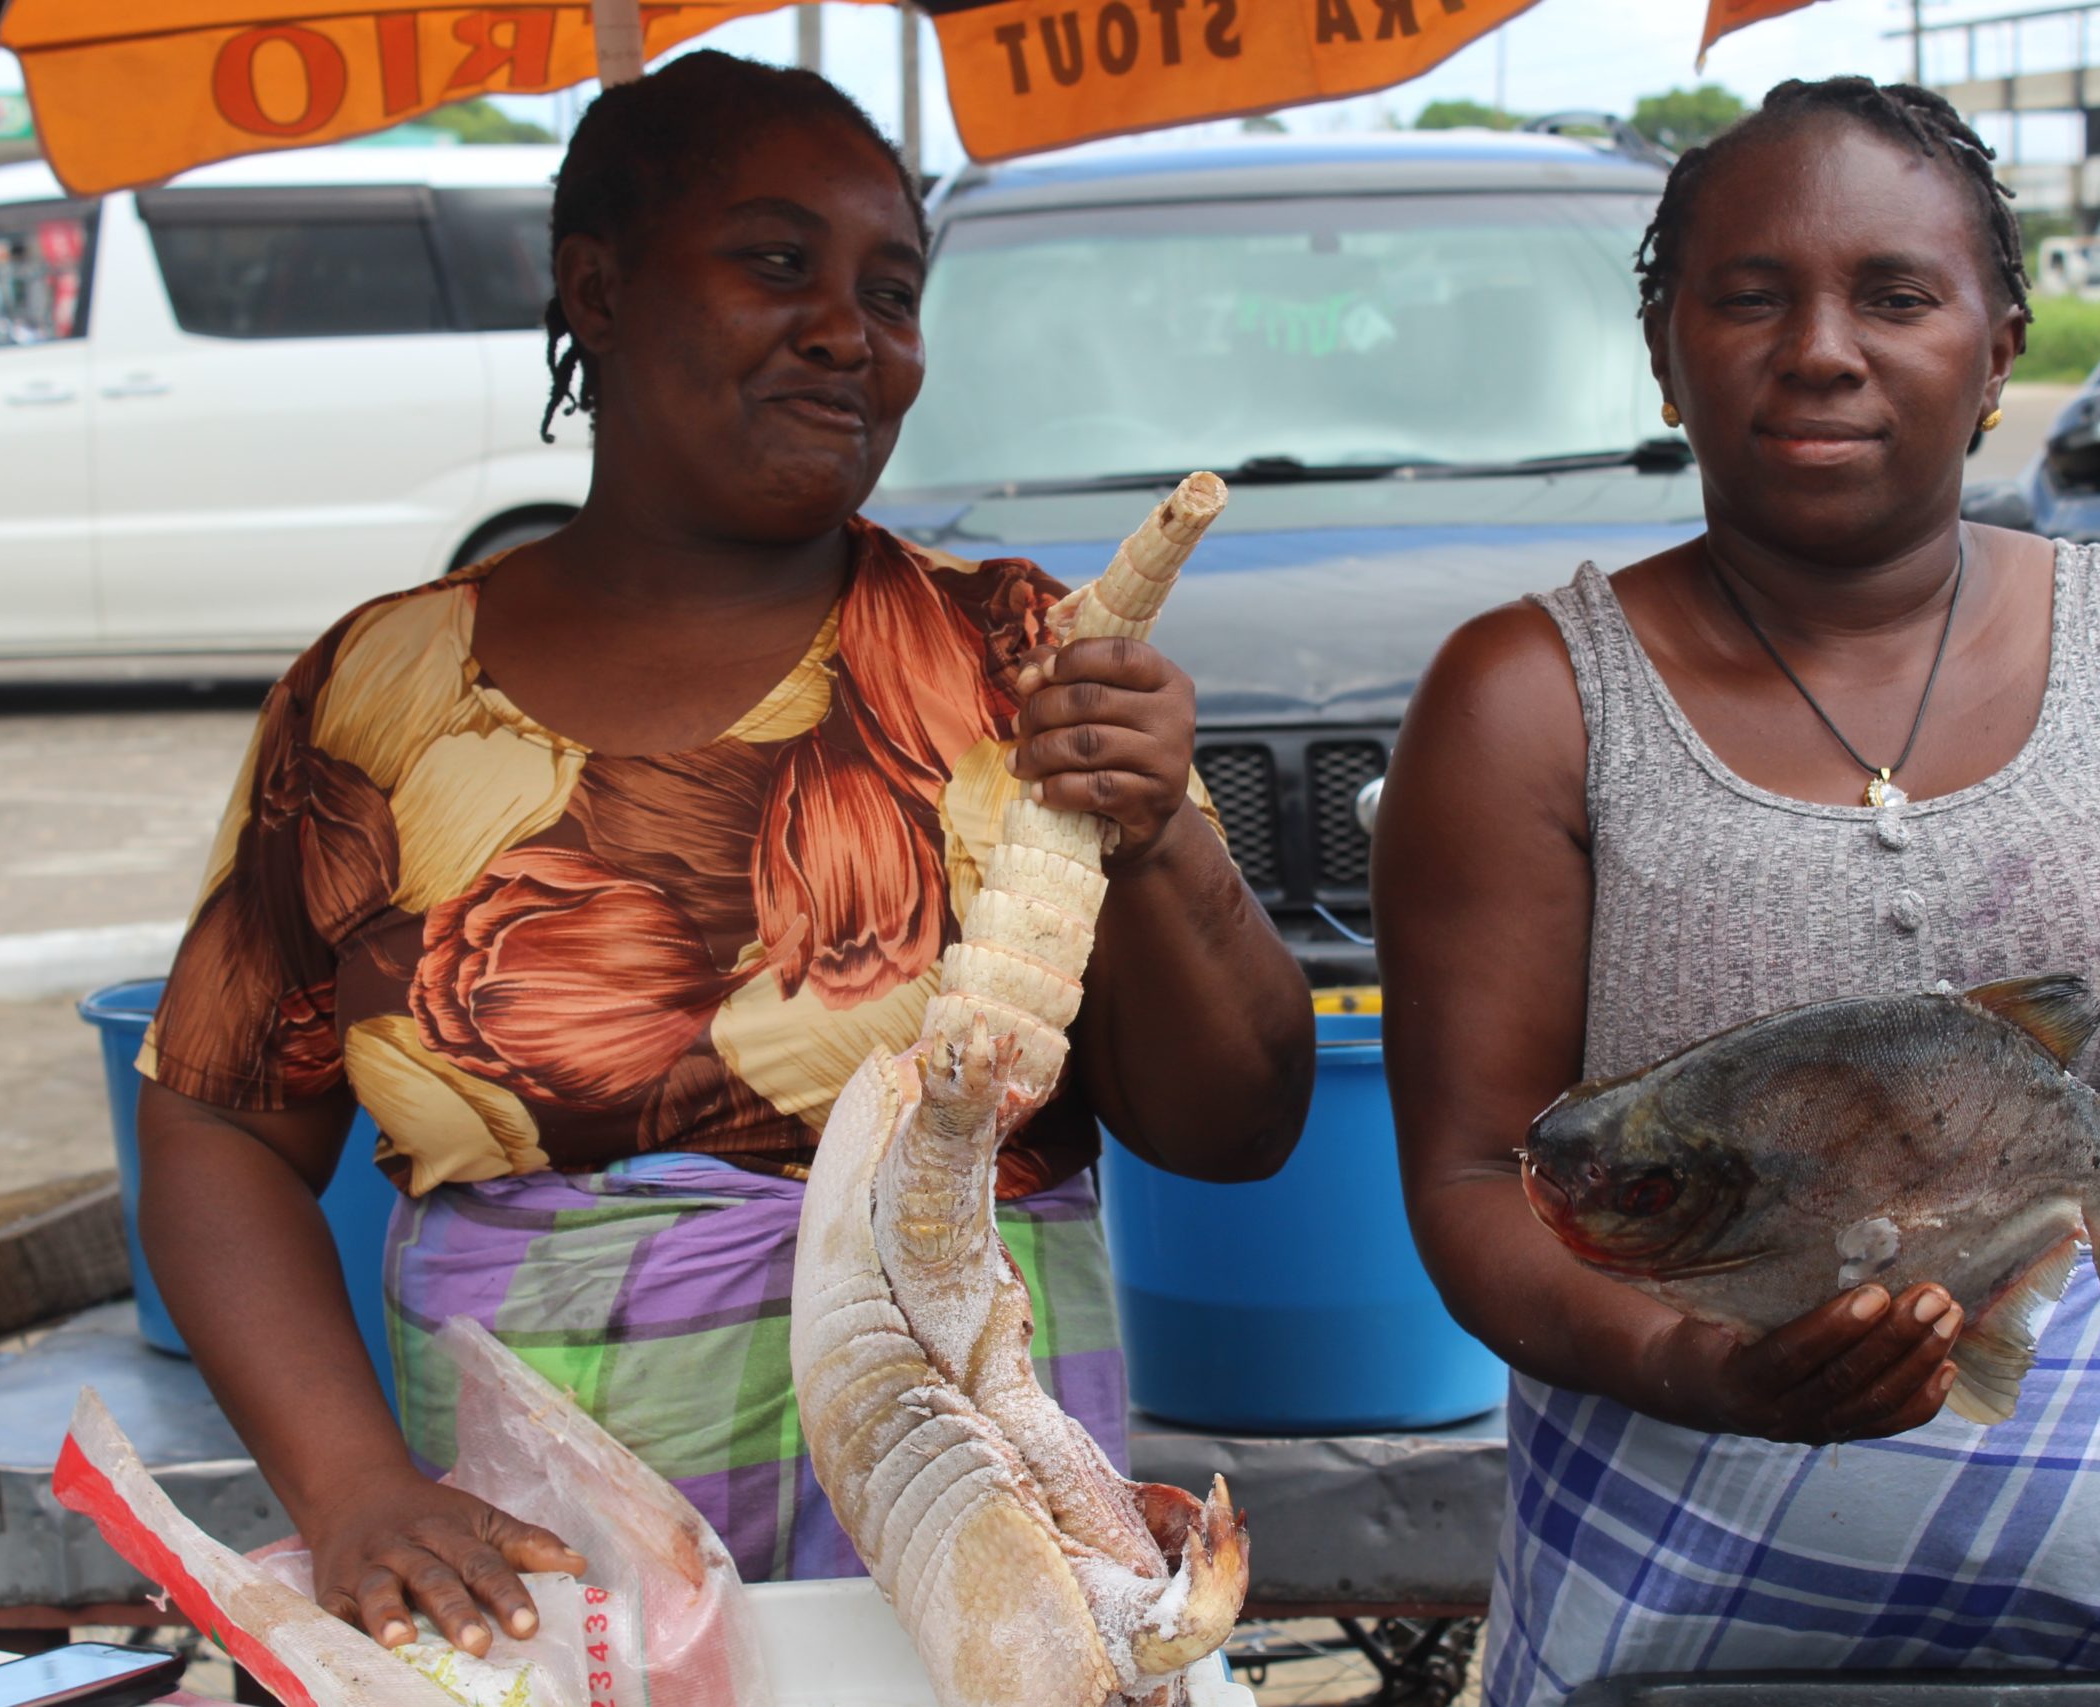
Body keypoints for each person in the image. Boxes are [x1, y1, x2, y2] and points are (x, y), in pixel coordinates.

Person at [133, 52, 1314, 1658]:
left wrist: (1163, 830)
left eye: (891, 290)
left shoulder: (1017, 655)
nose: (850, 330)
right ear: (597, 292)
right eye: (778, 264)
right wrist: (350, 1490)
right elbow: (218, 1132)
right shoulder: (381, 700)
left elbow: (1233, 1126)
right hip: (554, 1583)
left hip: (977, 1560)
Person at [1373, 76, 2100, 1707]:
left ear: (2002, 347)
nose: (1822, 347)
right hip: (1678, 1643)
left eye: (1896, 293)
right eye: (1749, 296)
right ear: (1666, 353)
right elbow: (1472, 1175)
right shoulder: (1525, 701)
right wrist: (1710, 1370)